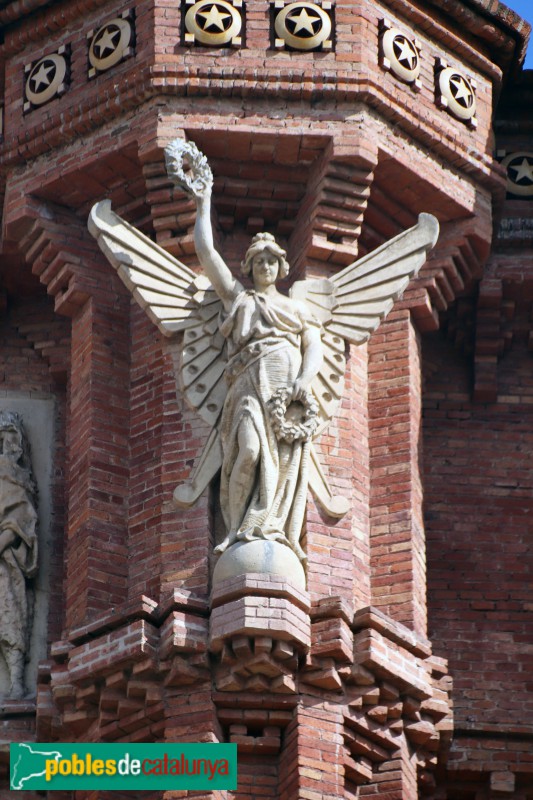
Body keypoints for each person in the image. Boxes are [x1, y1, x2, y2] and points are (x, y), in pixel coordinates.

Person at [193, 188, 323, 561]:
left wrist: (304, 381)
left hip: (286, 393)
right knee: (247, 451)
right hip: (247, 387)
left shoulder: (297, 311)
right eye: (258, 260)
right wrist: (204, 204)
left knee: (283, 465)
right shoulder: (240, 300)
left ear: (282, 267)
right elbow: (207, 254)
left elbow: (314, 346)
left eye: (271, 260)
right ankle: (235, 531)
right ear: (249, 267)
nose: (265, 265)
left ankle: (271, 526)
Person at [0, 412, 38, 699]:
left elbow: (18, 521)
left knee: (9, 616)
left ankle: (16, 683)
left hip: (3, 562)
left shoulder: (11, 474)